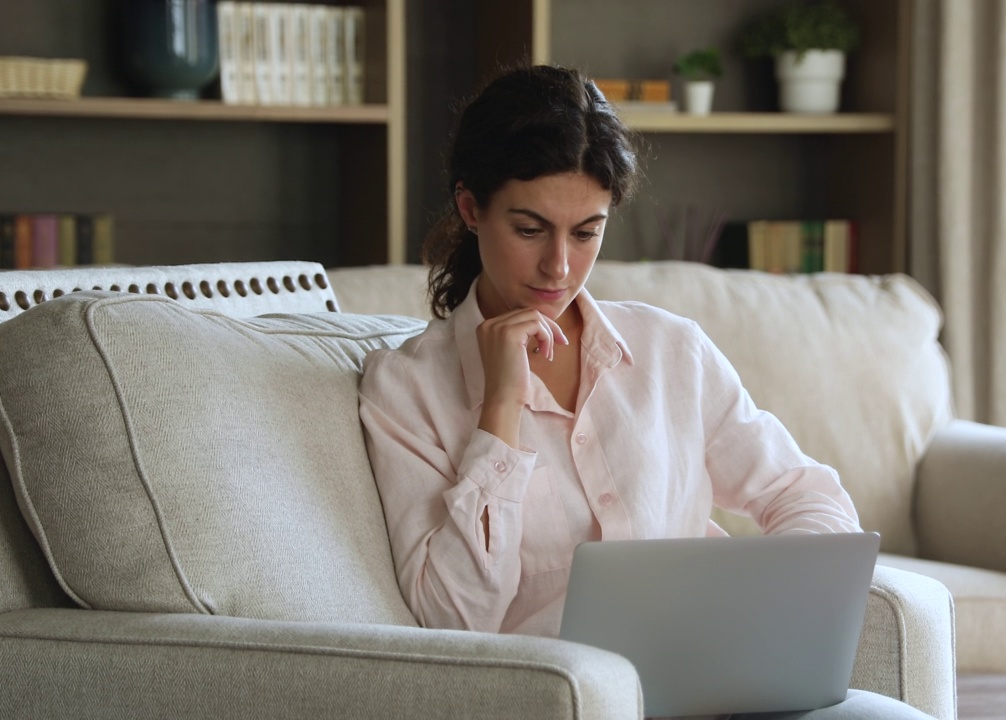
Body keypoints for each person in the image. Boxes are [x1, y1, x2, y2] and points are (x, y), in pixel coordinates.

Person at [357, 65, 931, 720]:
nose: (559, 267)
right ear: (470, 208)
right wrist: (500, 410)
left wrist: (771, 610)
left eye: (586, 232)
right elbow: (452, 617)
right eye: (528, 229)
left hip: (723, 684)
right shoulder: (406, 389)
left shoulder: (668, 350)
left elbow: (804, 494)